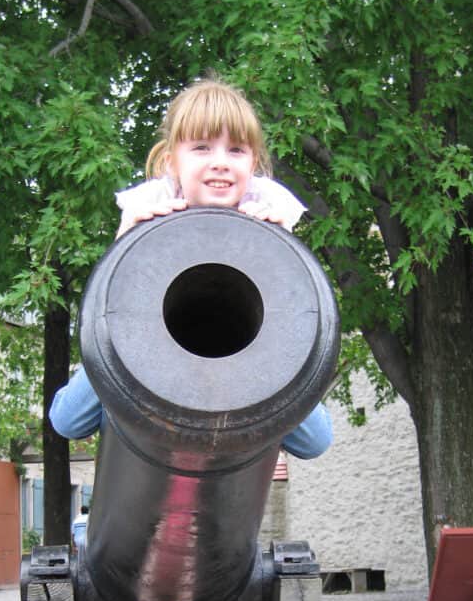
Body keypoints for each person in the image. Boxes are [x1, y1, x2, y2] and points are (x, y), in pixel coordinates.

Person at [49, 76, 333, 460]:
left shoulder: (270, 227)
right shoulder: (148, 222)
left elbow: (313, 443)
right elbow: (69, 422)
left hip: (243, 367)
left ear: (254, 163)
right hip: (147, 356)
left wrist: (283, 269)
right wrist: (122, 259)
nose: (220, 162)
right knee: (66, 413)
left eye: (236, 150)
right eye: (201, 147)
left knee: (317, 434)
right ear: (171, 162)